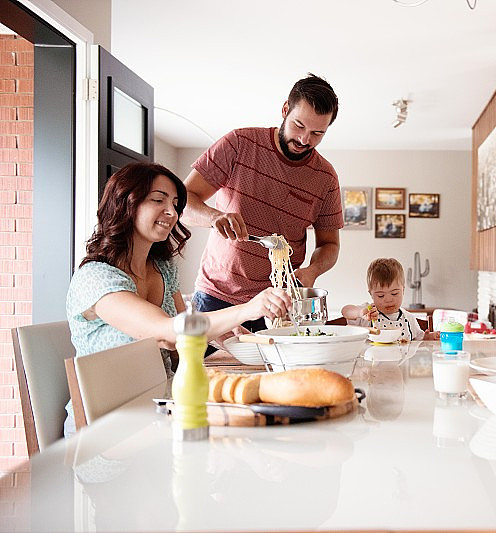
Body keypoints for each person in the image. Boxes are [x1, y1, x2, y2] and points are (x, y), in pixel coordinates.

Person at [65, 162, 292, 436]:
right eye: (158, 200)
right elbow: (167, 334)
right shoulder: (95, 279)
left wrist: (226, 337)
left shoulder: (162, 268)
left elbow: (179, 344)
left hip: (159, 407)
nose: (172, 213)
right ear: (126, 204)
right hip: (108, 427)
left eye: (175, 203)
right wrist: (247, 309)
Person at [182, 73, 344, 333]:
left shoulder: (325, 177)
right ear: (284, 110)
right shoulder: (239, 144)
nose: (304, 140)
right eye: (299, 125)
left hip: (279, 303)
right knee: (211, 372)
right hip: (218, 297)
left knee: (278, 374)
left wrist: (312, 271)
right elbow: (183, 203)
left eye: (317, 133)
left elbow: (330, 245)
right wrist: (214, 217)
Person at [341, 258, 438, 341]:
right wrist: (360, 312)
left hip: (402, 363)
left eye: (394, 293)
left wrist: (427, 338)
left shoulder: (409, 319)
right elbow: (345, 310)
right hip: (371, 362)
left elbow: (418, 342)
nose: (388, 299)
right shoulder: (368, 313)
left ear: (403, 290)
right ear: (371, 294)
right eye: (381, 295)